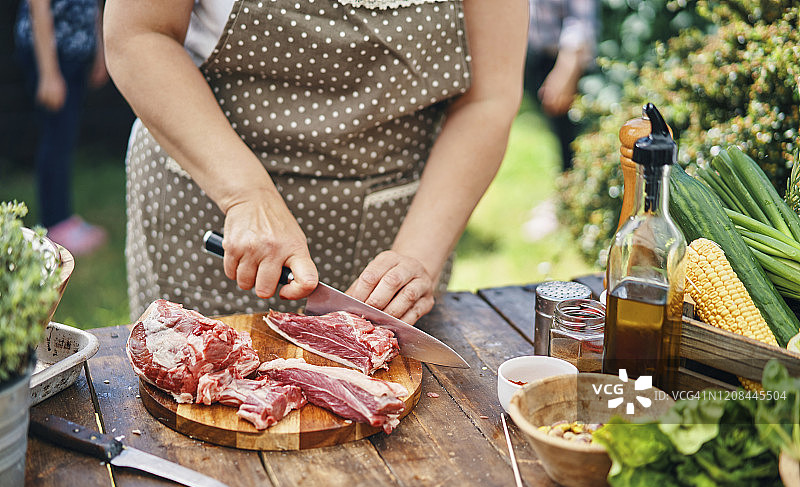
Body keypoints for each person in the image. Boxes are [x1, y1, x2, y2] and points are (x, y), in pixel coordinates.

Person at [104, 0, 527, 325]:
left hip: (396, 226)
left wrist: (416, 256)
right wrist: (246, 194)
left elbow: (489, 97)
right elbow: (138, 35)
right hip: (209, 211)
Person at [14, 0, 109, 255]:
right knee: (56, 138)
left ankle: (63, 218)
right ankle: (55, 224)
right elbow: (39, 6)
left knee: (64, 138)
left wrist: (100, 48)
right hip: (53, 56)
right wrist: (48, 73)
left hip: (77, 51)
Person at [525, 0, 597, 171]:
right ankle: (567, 185)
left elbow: (580, 23)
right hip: (539, 57)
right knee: (560, 133)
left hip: (566, 60)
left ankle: (575, 187)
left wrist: (565, 72)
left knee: (575, 136)